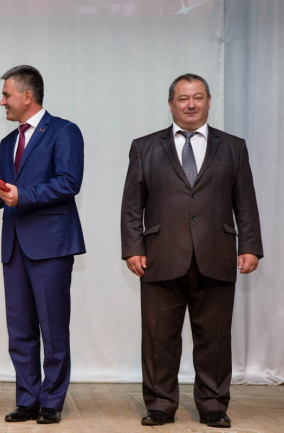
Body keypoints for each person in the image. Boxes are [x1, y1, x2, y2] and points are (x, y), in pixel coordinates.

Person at [120, 73, 263, 428]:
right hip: (160, 256)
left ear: (209, 101)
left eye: (198, 97)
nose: (191, 104)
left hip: (217, 254)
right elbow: (132, 204)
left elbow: (245, 202)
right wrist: (133, 247)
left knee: (215, 338)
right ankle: (160, 404)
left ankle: (213, 404)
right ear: (171, 104)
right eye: (183, 98)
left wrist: (250, 246)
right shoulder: (145, 147)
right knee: (159, 338)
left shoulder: (233, 147)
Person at [0, 65, 85, 424]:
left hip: (51, 246)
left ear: (27, 97)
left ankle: (52, 402)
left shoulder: (64, 131)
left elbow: (69, 182)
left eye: (6, 95)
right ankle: (27, 400)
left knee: (53, 329)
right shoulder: (7, 142)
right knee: (20, 330)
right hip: (14, 248)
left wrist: (23, 195)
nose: (2, 102)